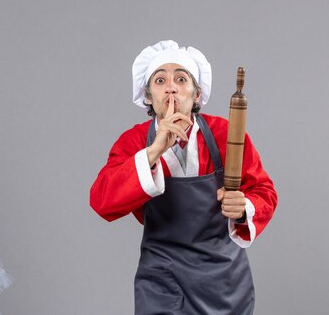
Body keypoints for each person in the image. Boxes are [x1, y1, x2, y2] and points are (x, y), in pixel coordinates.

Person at [90, 40, 277, 315]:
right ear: (148, 96)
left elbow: (264, 191)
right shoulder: (135, 142)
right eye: (160, 80)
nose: (171, 87)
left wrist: (243, 208)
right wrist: (153, 152)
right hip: (162, 278)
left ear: (197, 93)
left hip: (224, 281)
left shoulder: (226, 134)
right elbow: (102, 200)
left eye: (181, 78)